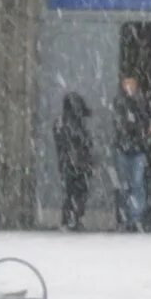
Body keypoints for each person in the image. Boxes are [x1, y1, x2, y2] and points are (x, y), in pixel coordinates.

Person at [112, 75, 151, 232]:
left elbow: (144, 119)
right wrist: (145, 129)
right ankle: (126, 218)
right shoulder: (121, 102)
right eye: (126, 83)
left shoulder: (141, 101)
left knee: (137, 184)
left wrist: (147, 129)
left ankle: (135, 217)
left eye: (132, 83)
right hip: (125, 149)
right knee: (126, 185)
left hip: (137, 149)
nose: (129, 86)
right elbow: (126, 124)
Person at [53, 91, 93, 230]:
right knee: (75, 192)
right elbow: (77, 142)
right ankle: (72, 219)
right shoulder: (69, 123)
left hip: (73, 162)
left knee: (74, 192)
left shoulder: (65, 122)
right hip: (74, 163)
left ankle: (72, 218)